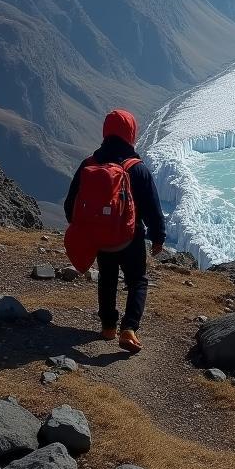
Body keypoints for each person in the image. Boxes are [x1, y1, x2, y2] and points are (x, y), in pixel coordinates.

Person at [64, 109, 165, 353]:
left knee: (107, 280)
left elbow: (71, 205)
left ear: (105, 132)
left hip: (100, 238)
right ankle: (129, 328)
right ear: (131, 133)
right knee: (137, 281)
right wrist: (157, 237)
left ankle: (108, 327)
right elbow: (152, 207)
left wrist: (86, 229)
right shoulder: (137, 168)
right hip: (130, 238)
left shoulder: (89, 164)